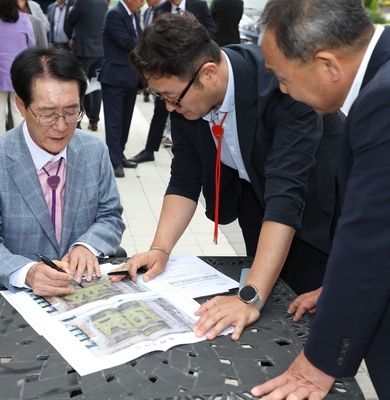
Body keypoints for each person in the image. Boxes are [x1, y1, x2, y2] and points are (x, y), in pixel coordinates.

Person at [251, 0, 390, 398]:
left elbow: (371, 243)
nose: (281, 88)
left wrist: (319, 363)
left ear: (327, 64)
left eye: (282, 75)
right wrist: (335, 289)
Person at [117, 13, 342, 340]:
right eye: (161, 96)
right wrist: (160, 249)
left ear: (208, 73)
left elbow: (286, 197)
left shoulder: (283, 88)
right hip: (258, 204)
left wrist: (249, 297)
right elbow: (184, 178)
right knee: (270, 307)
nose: (168, 107)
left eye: (171, 97)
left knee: (309, 317)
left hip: (321, 210)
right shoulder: (187, 95)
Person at [0, 46, 125, 296]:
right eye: (47, 114)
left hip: (84, 288)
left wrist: (86, 247)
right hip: (19, 296)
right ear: (21, 105)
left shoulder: (94, 151)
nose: (61, 126)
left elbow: (110, 216)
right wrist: (26, 272)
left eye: (71, 112)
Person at [129, 0, 215, 165]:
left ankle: (192, 152)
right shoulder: (162, 9)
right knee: (161, 111)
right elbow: (152, 41)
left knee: (192, 114)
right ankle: (149, 150)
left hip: (192, 73)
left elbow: (210, 33)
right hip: (166, 76)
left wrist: (193, 57)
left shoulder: (198, 5)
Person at [99, 0, 144, 178]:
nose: (142, 3)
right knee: (114, 122)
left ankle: (120, 154)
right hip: (115, 78)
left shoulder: (135, 14)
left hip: (131, 78)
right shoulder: (114, 14)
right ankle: (114, 160)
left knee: (125, 120)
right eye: (140, 0)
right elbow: (128, 42)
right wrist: (148, 41)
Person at [0, 0, 35, 140]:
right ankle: (22, 145)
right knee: (19, 112)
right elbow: (31, 46)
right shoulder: (24, 18)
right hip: (20, 72)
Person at [64, 0, 108, 132]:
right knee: (95, 85)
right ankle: (94, 121)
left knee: (80, 86)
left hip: (83, 50)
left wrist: (70, 11)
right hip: (99, 52)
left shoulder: (82, 2)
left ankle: (77, 120)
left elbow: (69, 21)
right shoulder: (104, 3)